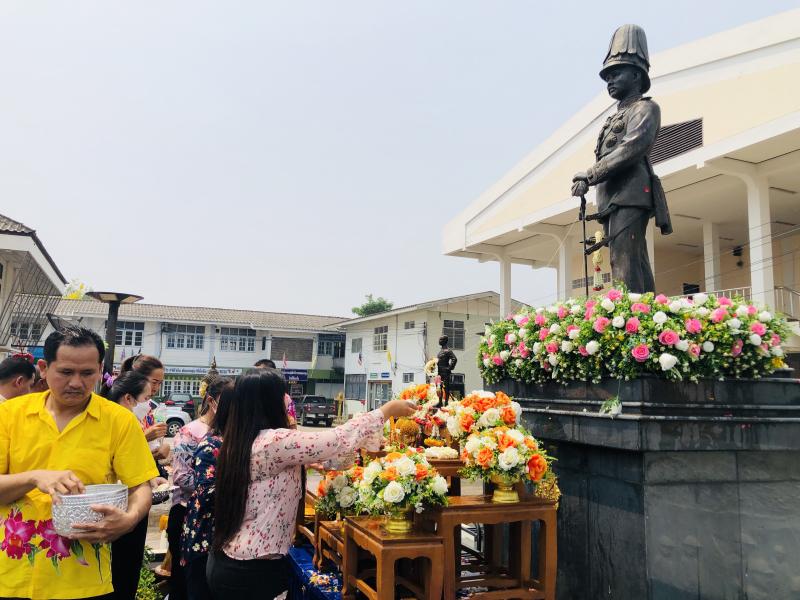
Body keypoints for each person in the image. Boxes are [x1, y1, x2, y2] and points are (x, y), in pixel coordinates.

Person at [207, 369, 416, 599]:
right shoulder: (273, 441)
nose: (287, 401)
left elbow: (330, 456)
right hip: (251, 571)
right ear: (268, 401)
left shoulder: (243, 438)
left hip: (234, 561)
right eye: (282, 396)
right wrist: (386, 411)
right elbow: (336, 440)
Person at [0, 326, 158, 599]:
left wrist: (129, 519)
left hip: (85, 580)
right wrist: (34, 477)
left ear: (99, 370)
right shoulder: (9, 414)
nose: (76, 382)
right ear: (44, 368)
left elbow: (140, 486)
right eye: (65, 372)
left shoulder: (117, 420)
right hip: (11, 575)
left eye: (87, 373)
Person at [571, 24, 671, 294]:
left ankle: (631, 319)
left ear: (637, 75)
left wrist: (590, 175)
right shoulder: (615, 117)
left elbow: (632, 147)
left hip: (631, 194)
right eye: (607, 77)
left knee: (624, 258)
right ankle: (644, 312)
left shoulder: (646, 108)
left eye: (616, 73)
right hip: (613, 197)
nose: (610, 81)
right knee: (630, 258)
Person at [167, 377, 231, 600]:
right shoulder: (190, 432)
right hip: (188, 514)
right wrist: (220, 486)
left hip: (215, 517)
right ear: (212, 401)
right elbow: (181, 476)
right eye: (228, 401)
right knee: (186, 582)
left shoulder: (228, 431)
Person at [106, 371, 163, 600]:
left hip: (125, 509)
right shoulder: (122, 420)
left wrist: (151, 479)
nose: (149, 405)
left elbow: (137, 471)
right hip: (120, 510)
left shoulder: (119, 418)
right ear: (129, 398)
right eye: (146, 398)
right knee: (121, 575)